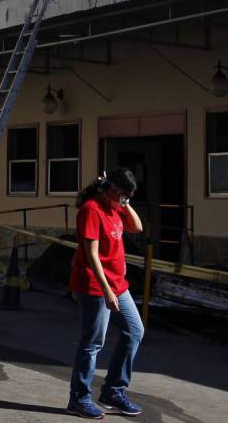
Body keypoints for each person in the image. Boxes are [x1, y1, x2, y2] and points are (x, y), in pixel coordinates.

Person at [67, 168, 145, 419]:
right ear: (111, 189)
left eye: (127, 197)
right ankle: (78, 398)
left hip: (118, 284)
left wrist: (125, 202)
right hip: (95, 286)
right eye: (123, 195)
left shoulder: (115, 206)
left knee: (134, 331)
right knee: (92, 344)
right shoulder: (91, 209)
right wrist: (105, 289)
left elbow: (137, 227)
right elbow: (91, 256)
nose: (125, 200)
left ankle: (113, 391)